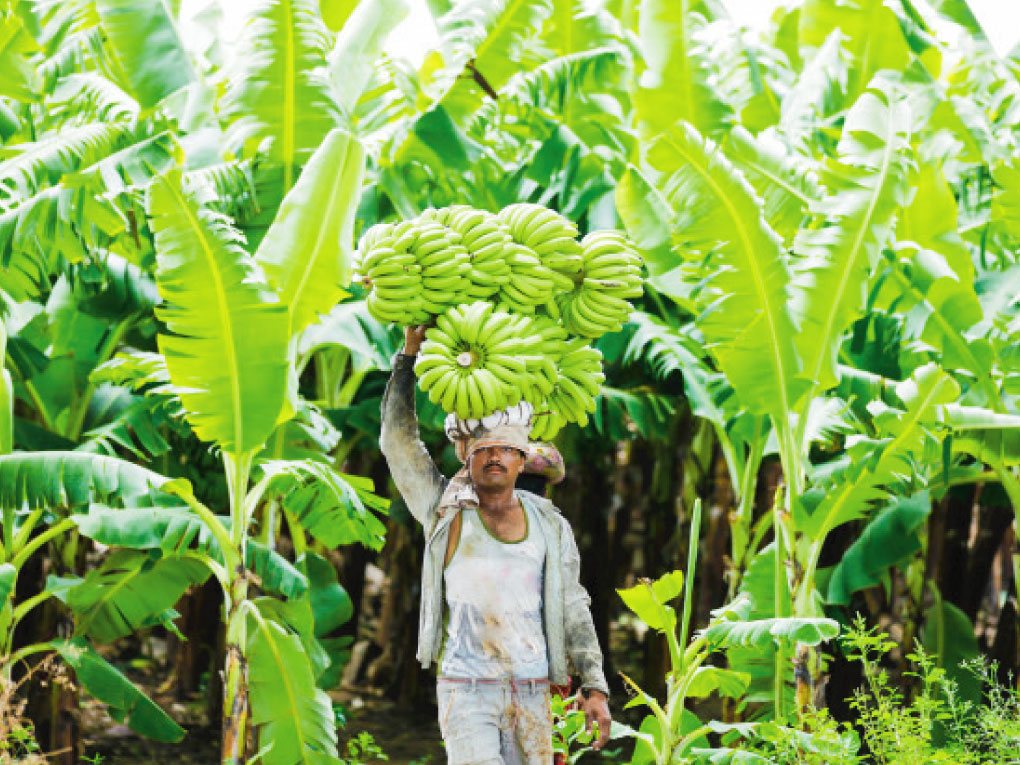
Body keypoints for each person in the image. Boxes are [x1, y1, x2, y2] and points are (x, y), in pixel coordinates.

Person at [380, 325, 612, 764]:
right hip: (466, 692)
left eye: (505, 449)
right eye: (484, 449)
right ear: (467, 456)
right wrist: (409, 357)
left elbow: (575, 606)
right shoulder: (443, 510)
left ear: (522, 458)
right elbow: (398, 443)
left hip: (535, 689)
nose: (494, 458)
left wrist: (595, 684)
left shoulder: (549, 525)